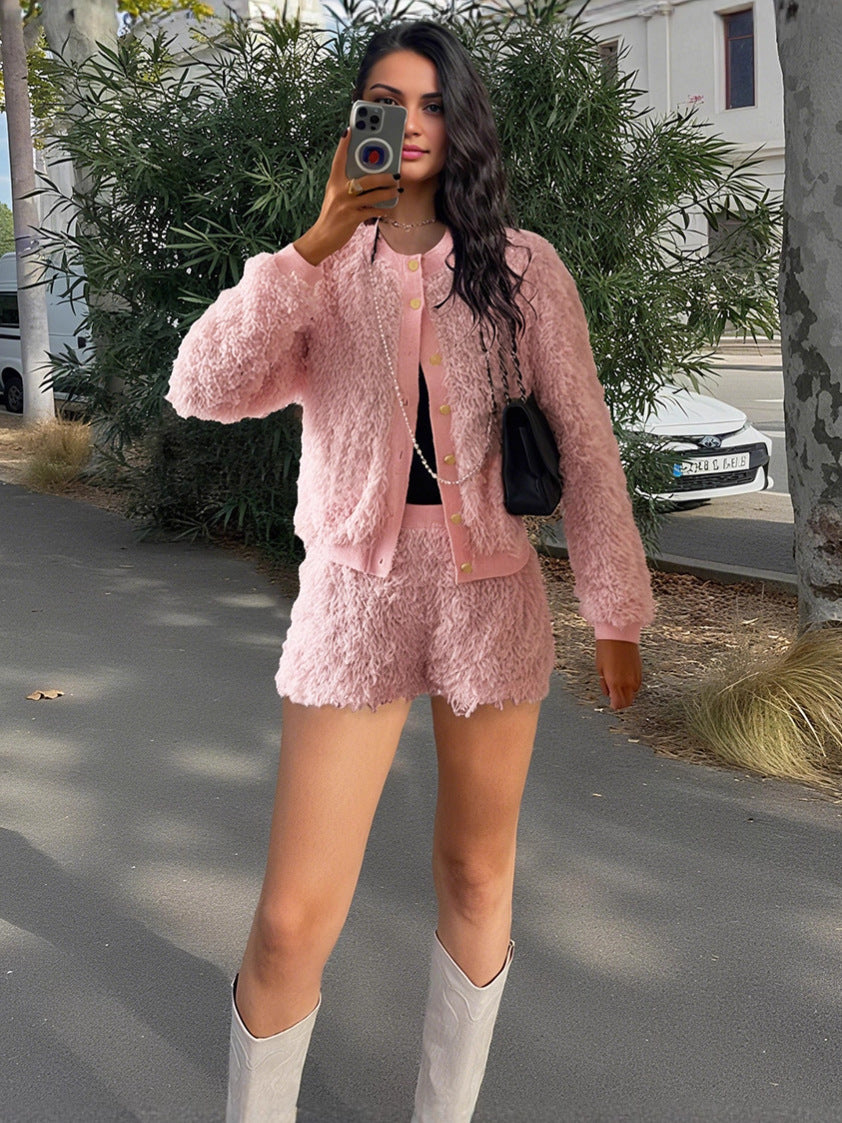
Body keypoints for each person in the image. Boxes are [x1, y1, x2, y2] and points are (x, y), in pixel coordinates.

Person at [166, 19, 655, 1122]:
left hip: (492, 599)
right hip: (353, 599)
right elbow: (203, 386)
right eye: (387, 105)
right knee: (292, 915)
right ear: (357, 124)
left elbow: (585, 444)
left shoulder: (524, 268)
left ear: (463, 118)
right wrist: (310, 246)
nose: (413, 125)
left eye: (433, 103)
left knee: (477, 872)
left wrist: (614, 609)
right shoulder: (319, 270)